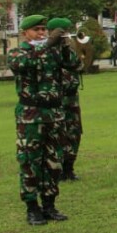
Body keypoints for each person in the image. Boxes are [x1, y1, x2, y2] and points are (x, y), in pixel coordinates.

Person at [8, 14, 67, 225]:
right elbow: (22, 64)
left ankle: (50, 204)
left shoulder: (52, 51)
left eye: (44, 29)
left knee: (53, 161)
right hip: (31, 115)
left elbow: (74, 65)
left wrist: (64, 45)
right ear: (25, 33)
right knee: (30, 162)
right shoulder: (17, 52)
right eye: (37, 30)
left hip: (54, 114)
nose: (42, 33)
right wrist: (48, 45)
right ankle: (32, 207)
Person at [43, 17, 83, 181]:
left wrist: (66, 47)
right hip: (57, 99)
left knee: (74, 133)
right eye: (64, 32)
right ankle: (56, 168)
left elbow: (78, 65)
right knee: (58, 135)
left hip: (72, 98)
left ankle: (69, 168)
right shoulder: (46, 52)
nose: (67, 35)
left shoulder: (68, 51)